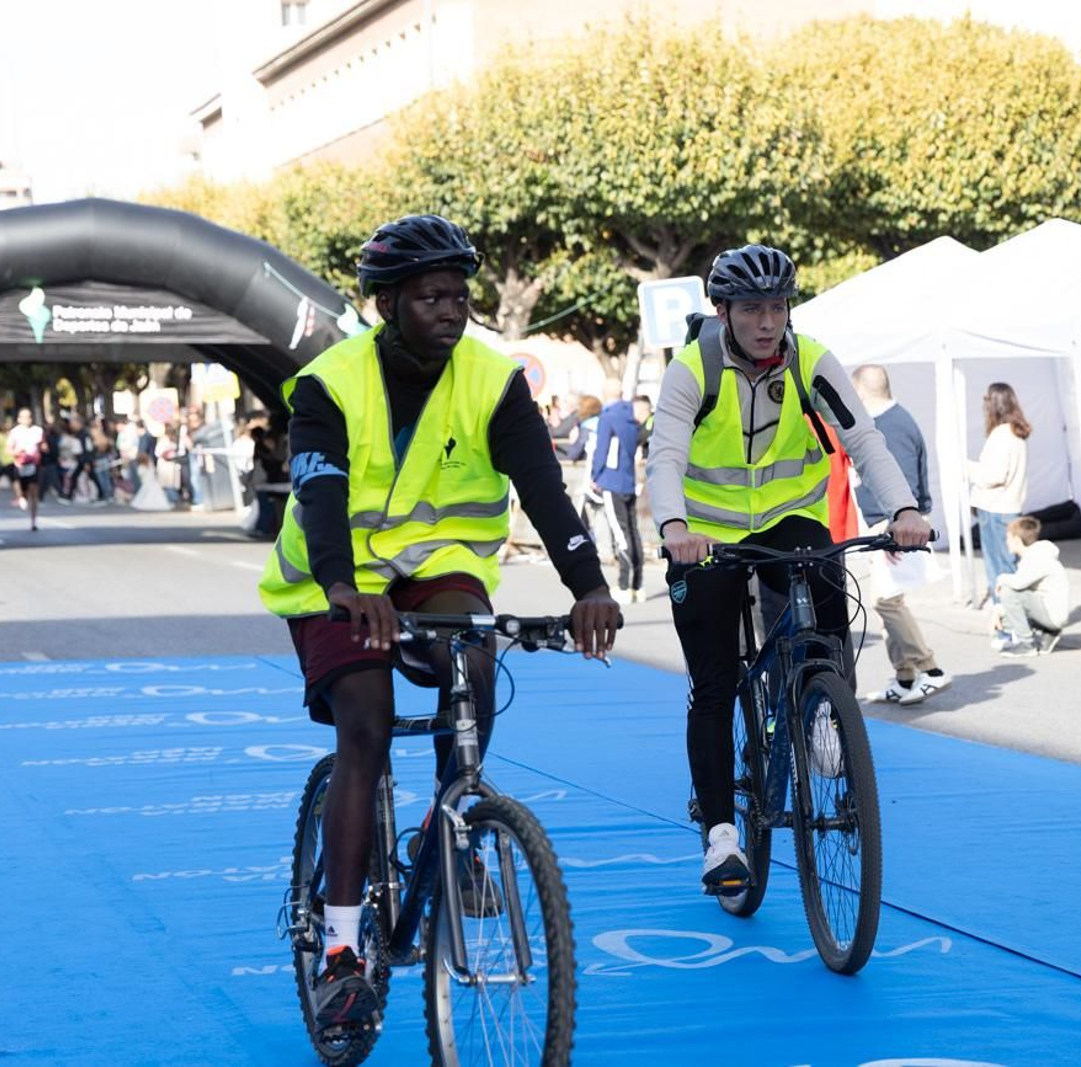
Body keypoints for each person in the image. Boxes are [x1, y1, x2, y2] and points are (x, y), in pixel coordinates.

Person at [256, 213, 618, 1025]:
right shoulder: (329, 383)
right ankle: (344, 946)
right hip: (337, 582)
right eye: (430, 297)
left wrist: (589, 584)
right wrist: (345, 585)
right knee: (368, 723)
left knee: (477, 654)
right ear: (387, 303)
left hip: (437, 571)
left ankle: (444, 822)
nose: (451, 310)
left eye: (459, 295)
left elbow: (544, 489)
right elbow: (318, 494)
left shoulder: (493, 379)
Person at [648, 243, 930, 896]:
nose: (767, 321)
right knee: (714, 683)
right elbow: (664, 456)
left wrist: (905, 509)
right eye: (751, 308)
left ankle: (825, 709)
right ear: (723, 312)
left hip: (786, 519)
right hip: (706, 536)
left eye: (777, 306)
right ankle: (721, 837)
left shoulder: (810, 360)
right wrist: (674, 529)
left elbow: (862, 437)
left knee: (827, 571)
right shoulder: (693, 370)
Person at [849, 365, 951, 705]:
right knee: (889, 601)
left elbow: (903, 480)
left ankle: (930, 669)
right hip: (890, 523)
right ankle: (906, 675)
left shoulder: (892, 426)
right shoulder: (894, 421)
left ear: (861, 393)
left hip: (895, 524)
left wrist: (896, 526)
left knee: (886, 601)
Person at [966, 383, 1029, 624]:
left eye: (986, 400)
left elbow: (993, 476)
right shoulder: (1017, 432)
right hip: (1010, 508)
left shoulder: (1002, 434)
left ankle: (1008, 624)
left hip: (995, 510)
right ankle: (1015, 622)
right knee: (1010, 568)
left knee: (999, 572)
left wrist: (967, 469)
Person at [592, 378, 644, 602]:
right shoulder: (630, 417)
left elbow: (601, 449)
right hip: (628, 480)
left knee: (620, 533)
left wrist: (595, 475)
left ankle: (623, 586)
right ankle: (637, 586)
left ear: (605, 393)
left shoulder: (607, 417)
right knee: (633, 531)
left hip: (611, 481)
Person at [993, 516, 1070, 657]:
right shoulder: (1034, 556)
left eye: (1008, 538)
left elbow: (1017, 584)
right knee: (1005, 614)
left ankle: (1027, 645)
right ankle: (1049, 632)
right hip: (1049, 611)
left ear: (1017, 539)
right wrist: (998, 611)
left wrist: (1001, 579)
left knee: (1008, 592)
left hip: (1052, 614)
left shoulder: (1038, 558)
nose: (1007, 542)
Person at [6, 408, 46, 532]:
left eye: (28, 416)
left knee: (34, 493)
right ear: (19, 419)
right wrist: (17, 452)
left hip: (34, 465)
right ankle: (21, 497)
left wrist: (42, 449)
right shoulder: (15, 432)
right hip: (20, 464)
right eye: (23, 417)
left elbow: (44, 446)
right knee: (21, 489)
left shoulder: (37, 431)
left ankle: (33, 521)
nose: (26, 419)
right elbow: (7, 449)